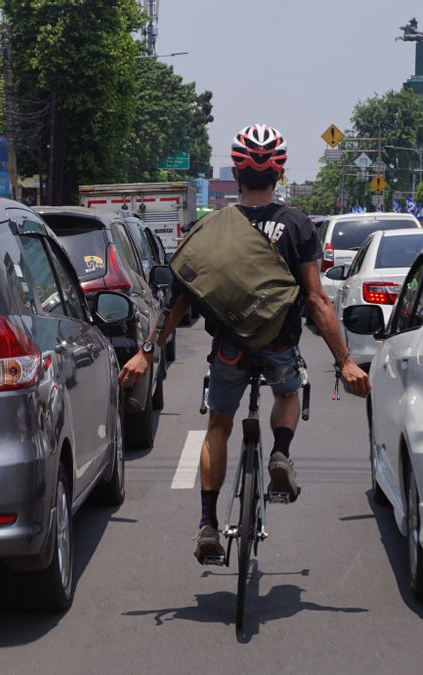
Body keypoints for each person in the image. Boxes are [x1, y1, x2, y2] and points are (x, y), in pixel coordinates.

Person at [117, 123, 371, 562]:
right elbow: (316, 299)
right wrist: (345, 360)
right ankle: (279, 454)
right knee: (288, 392)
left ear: (236, 175)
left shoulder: (211, 227)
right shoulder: (297, 226)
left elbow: (180, 299)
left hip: (229, 350)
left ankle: (208, 525)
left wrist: (147, 352)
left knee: (218, 426)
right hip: (279, 347)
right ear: (280, 174)